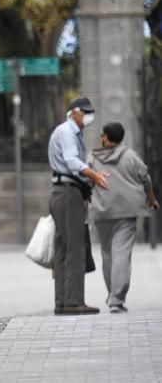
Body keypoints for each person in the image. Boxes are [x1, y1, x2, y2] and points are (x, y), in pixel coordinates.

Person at [88, 122, 159, 313]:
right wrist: (151, 198)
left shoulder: (93, 158)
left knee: (107, 254)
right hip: (127, 213)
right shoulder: (130, 156)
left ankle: (112, 294)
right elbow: (145, 178)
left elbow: (86, 181)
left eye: (103, 135)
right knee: (121, 254)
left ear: (107, 138)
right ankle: (116, 300)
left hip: (103, 212)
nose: (101, 138)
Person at [48, 97, 109, 316]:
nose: (89, 116)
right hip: (66, 193)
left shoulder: (73, 133)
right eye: (86, 112)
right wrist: (94, 175)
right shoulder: (67, 132)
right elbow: (72, 162)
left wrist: (85, 188)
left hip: (65, 191)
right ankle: (73, 301)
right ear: (74, 112)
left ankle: (63, 301)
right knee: (75, 248)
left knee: (63, 249)